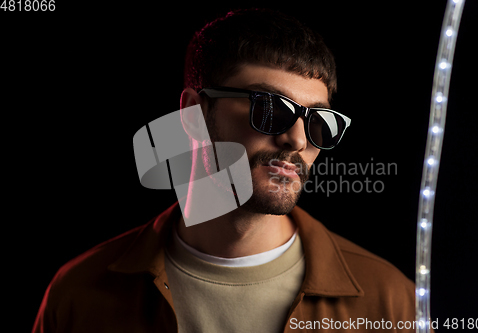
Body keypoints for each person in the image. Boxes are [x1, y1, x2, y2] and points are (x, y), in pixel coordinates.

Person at [33, 8, 417, 333]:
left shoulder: (387, 300)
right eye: (270, 109)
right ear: (193, 113)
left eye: (320, 122)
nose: (298, 140)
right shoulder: (80, 295)